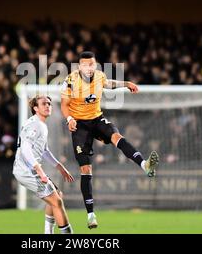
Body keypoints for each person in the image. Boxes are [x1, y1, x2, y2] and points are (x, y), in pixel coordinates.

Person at [60, 51, 159, 229]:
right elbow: (64, 104)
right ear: (79, 66)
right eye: (85, 65)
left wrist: (126, 84)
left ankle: (144, 165)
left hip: (97, 119)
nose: (89, 68)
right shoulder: (71, 80)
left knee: (117, 136)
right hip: (80, 125)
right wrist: (69, 119)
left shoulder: (99, 76)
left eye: (92, 64)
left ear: (95, 65)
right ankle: (90, 215)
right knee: (86, 168)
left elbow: (109, 84)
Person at [13, 95, 75, 234]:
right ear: (35, 108)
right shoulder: (35, 125)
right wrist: (38, 169)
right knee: (57, 202)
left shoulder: (40, 124)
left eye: (49, 103)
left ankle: (48, 233)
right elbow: (25, 148)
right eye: (43, 104)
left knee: (57, 194)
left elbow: (44, 151)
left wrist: (60, 167)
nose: (47, 106)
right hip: (27, 171)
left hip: (28, 169)